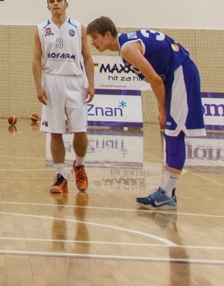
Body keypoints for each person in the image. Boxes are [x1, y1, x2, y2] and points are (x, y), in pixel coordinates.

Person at [86, 20, 203, 210]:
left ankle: (167, 192)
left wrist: (163, 111)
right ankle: (168, 191)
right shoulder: (128, 44)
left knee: (174, 132)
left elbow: (156, 80)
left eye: (95, 37)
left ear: (108, 35)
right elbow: (157, 79)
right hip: (177, 73)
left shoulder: (127, 49)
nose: (93, 43)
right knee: (171, 132)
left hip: (181, 72)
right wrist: (161, 110)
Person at [35, 0, 94, 195]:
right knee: (56, 131)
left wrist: (91, 84)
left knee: (80, 130)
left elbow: (87, 57)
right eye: (51, 1)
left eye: (59, 0)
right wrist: (38, 86)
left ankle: (79, 165)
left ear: (66, 3)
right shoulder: (41, 29)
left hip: (75, 81)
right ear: (48, 6)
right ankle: (60, 176)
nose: (55, 4)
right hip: (51, 81)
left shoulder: (79, 27)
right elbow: (36, 60)